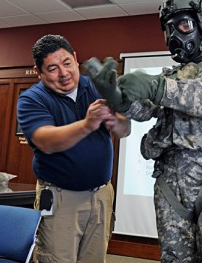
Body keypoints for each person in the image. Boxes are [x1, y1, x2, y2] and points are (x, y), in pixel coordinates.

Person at [92, 0, 202, 262]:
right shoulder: (172, 76)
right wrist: (118, 99)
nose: (175, 36)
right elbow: (144, 110)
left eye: (183, 25)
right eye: (169, 29)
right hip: (170, 183)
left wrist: (158, 87)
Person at [17, 34, 131, 263]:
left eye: (67, 63)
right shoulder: (32, 99)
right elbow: (46, 141)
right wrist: (88, 124)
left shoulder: (96, 86)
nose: (63, 73)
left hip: (101, 195)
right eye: (52, 68)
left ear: (76, 58)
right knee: (56, 259)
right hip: (60, 198)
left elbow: (124, 129)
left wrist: (115, 121)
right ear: (39, 72)